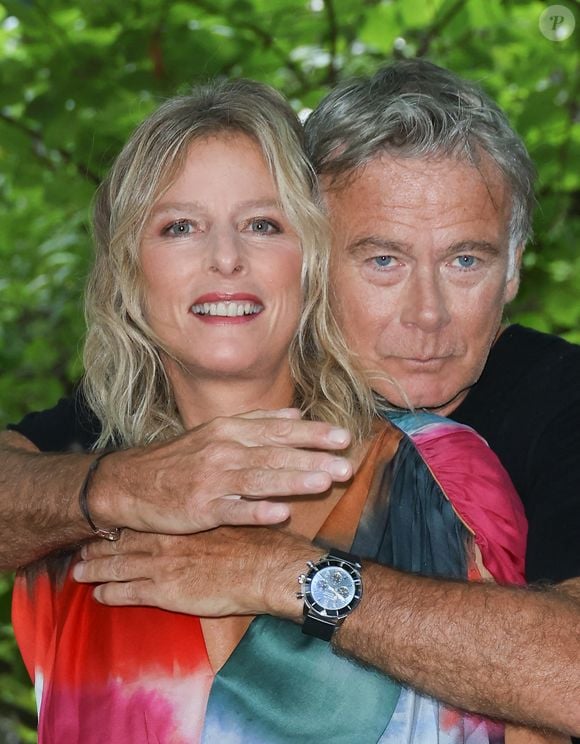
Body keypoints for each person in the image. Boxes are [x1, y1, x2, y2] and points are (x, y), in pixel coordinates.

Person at [2, 60, 579, 736]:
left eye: (465, 261)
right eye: (383, 260)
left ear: (514, 272)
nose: (428, 315)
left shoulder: (541, 410)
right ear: (320, 258)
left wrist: (283, 574)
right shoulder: (153, 422)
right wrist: (119, 487)